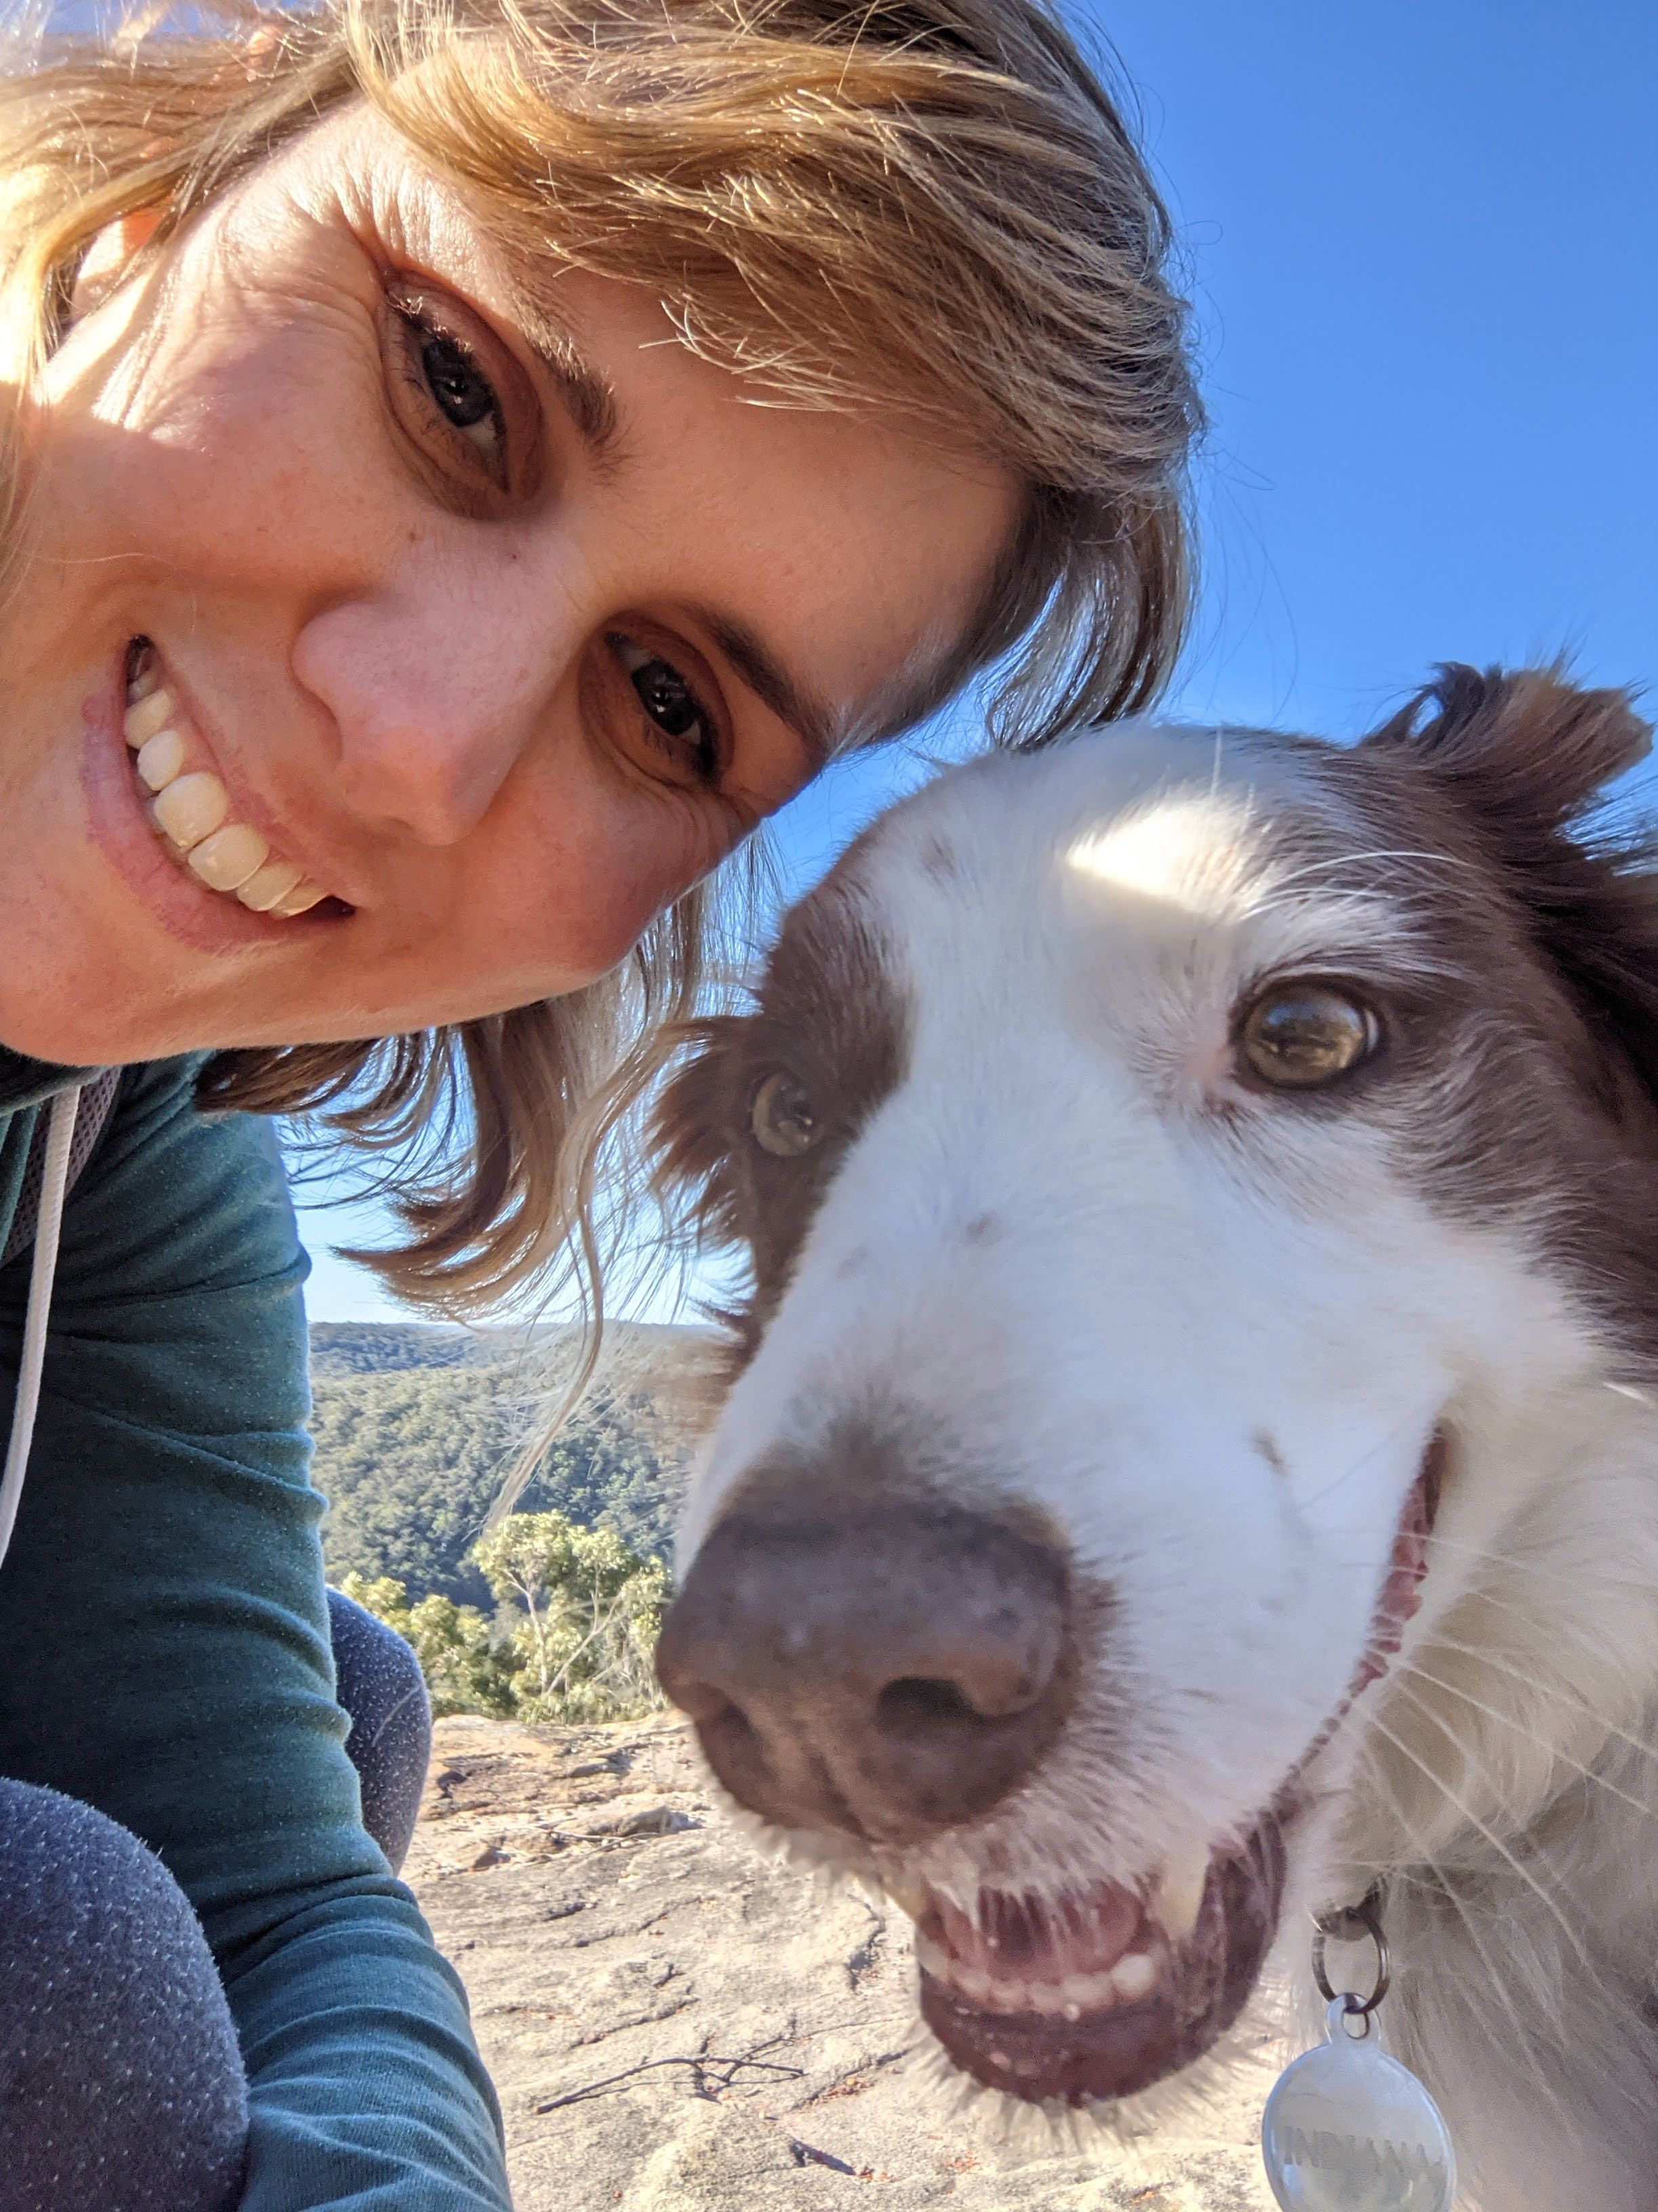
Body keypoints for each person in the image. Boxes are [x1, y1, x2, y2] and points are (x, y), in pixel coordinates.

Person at [0, 0, 1199, 2204]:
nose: (410, 740)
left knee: (329, 1713)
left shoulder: (123, 1139)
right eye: (448, 382)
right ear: (158, 210)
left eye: (664, 706)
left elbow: (269, 1884)